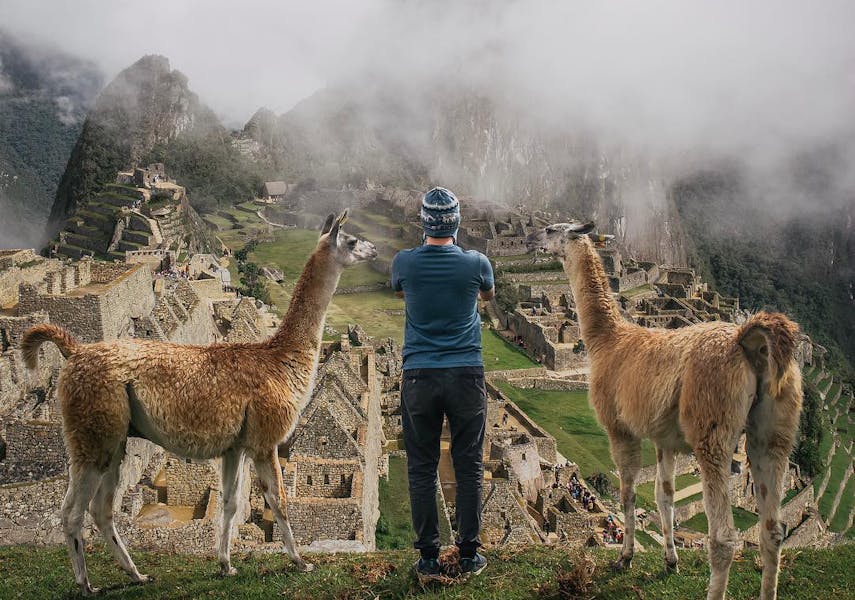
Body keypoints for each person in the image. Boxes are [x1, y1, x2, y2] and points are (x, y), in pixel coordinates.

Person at [391, 187, 495, 580]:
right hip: (466, 373)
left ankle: (429, 558)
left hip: (419, 374)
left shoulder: (404, 262)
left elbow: (400, 289)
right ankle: (469, 554)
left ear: (423, 222)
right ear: (456, 222)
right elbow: (487, 294)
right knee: (469, 464)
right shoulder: (477, 263)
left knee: (422, 467)